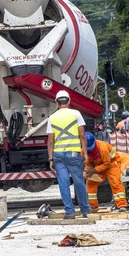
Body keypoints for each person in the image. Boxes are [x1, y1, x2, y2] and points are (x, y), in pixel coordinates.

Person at [47, 90, 90, 219]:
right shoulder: (76, 114)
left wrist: (50, 159)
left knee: (63, 183)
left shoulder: (52, 117)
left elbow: (50, 140)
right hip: (74, 153)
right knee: (79, 182)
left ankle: (70, 212)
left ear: (56, 102)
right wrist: (85, 153)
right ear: (69, 101)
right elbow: (82, 135)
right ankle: (85, 210)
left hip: (58, 155)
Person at [84, 132, 128, 212]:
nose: (90, 149)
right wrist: (89, 170)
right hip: (100, 165)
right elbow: (88, 163)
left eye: (91, 148)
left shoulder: (103, 148)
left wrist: (94, 170)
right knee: (90, 183)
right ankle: (93, 206)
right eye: (88, 148)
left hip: (112, 164)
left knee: (115, 182)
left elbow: (107, 164)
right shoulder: (84, 151)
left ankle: (121, 205)